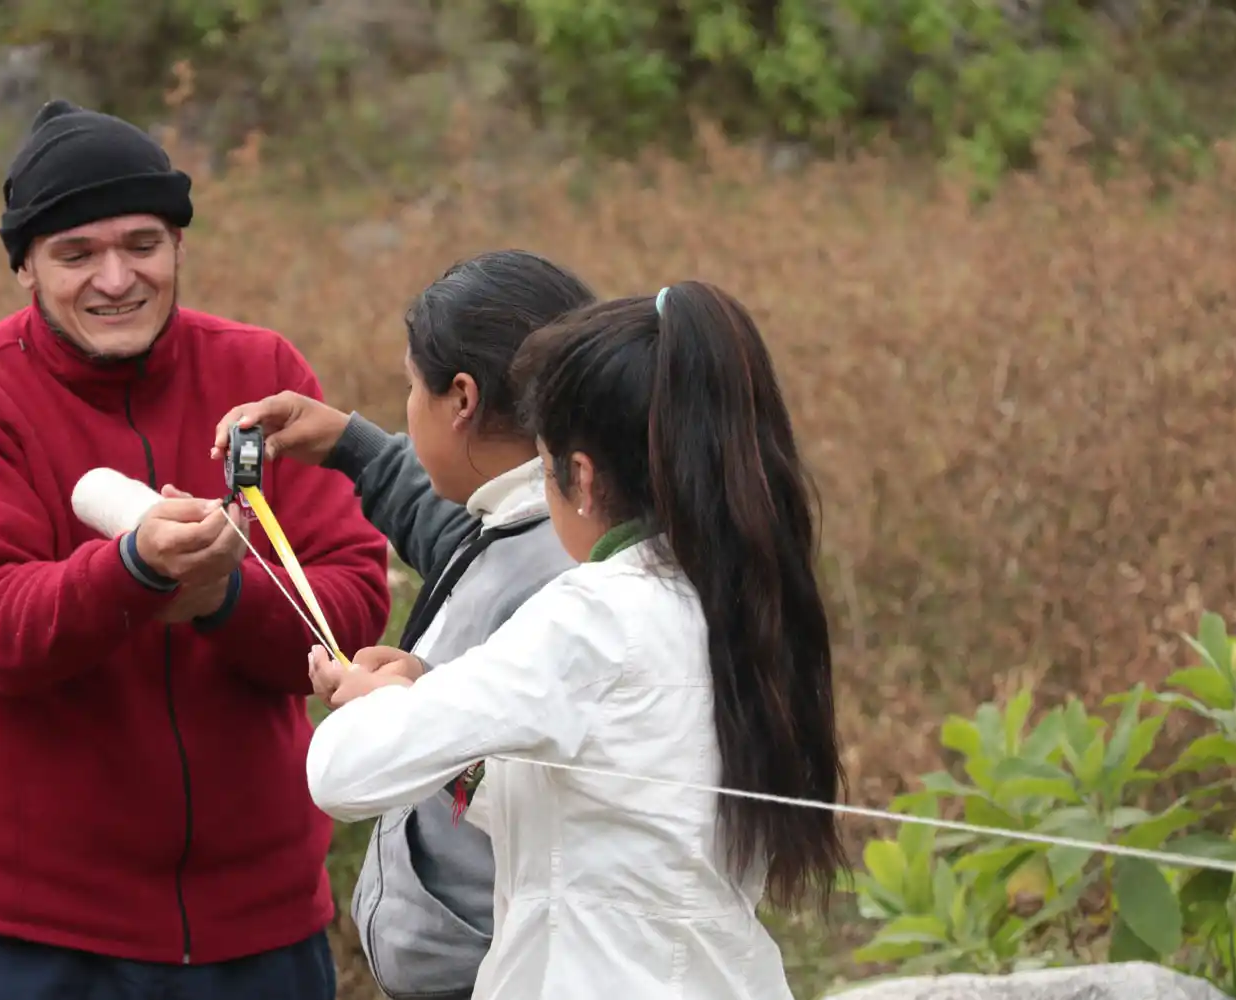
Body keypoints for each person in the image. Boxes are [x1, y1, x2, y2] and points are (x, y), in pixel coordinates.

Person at [0, 99, 391, 1000]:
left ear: (179, 246)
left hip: (259, 925)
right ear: (27, 266)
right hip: (34, 935)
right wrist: (136, 569)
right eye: (76, 253)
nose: (116, 278)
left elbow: (347, 606)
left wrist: (222, 600)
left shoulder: (259, 375)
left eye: (143, 244)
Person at [303, 281, 848, 999]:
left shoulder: (594, 613)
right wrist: (431, 705)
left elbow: (343, 773)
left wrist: (380, 704)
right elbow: (583, 807)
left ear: (581, 477)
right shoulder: (729, 592)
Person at [211, 249, 592, 999]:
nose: (405, 409)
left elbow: (449, 749)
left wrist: (388, 710)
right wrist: (350, 447)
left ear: (460, 398)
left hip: (503, 972)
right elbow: (463, 541)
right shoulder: (539, 525)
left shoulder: (560, 575)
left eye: (409, 388)